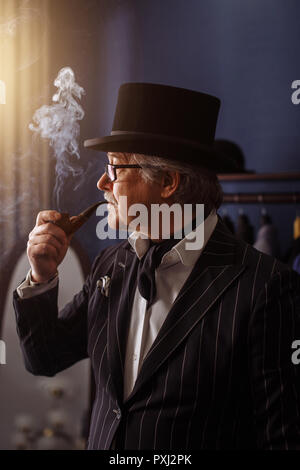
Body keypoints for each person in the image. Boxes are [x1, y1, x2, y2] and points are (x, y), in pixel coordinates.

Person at [13, 83, 300, 450]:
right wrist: (41, 274)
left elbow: (283, 439)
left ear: (167, 182)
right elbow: (44, 357)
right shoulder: (110, 266)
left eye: (115, 167)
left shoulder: (266, 287)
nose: (103, 182)